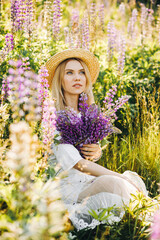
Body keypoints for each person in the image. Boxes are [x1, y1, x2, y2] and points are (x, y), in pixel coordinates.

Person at [45, 48, 148, 230]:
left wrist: (97, 151)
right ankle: (146, 221)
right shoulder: (54, 117)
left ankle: (148, 220)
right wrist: (121, 179)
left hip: (86, 182)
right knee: (117, 182)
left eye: (82, 72)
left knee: (133, 181)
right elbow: (79, 164)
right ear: (59, 79)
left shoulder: (87, 114)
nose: (77, 78)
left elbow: (87, 158)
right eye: (69, 73)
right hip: (67, 189)